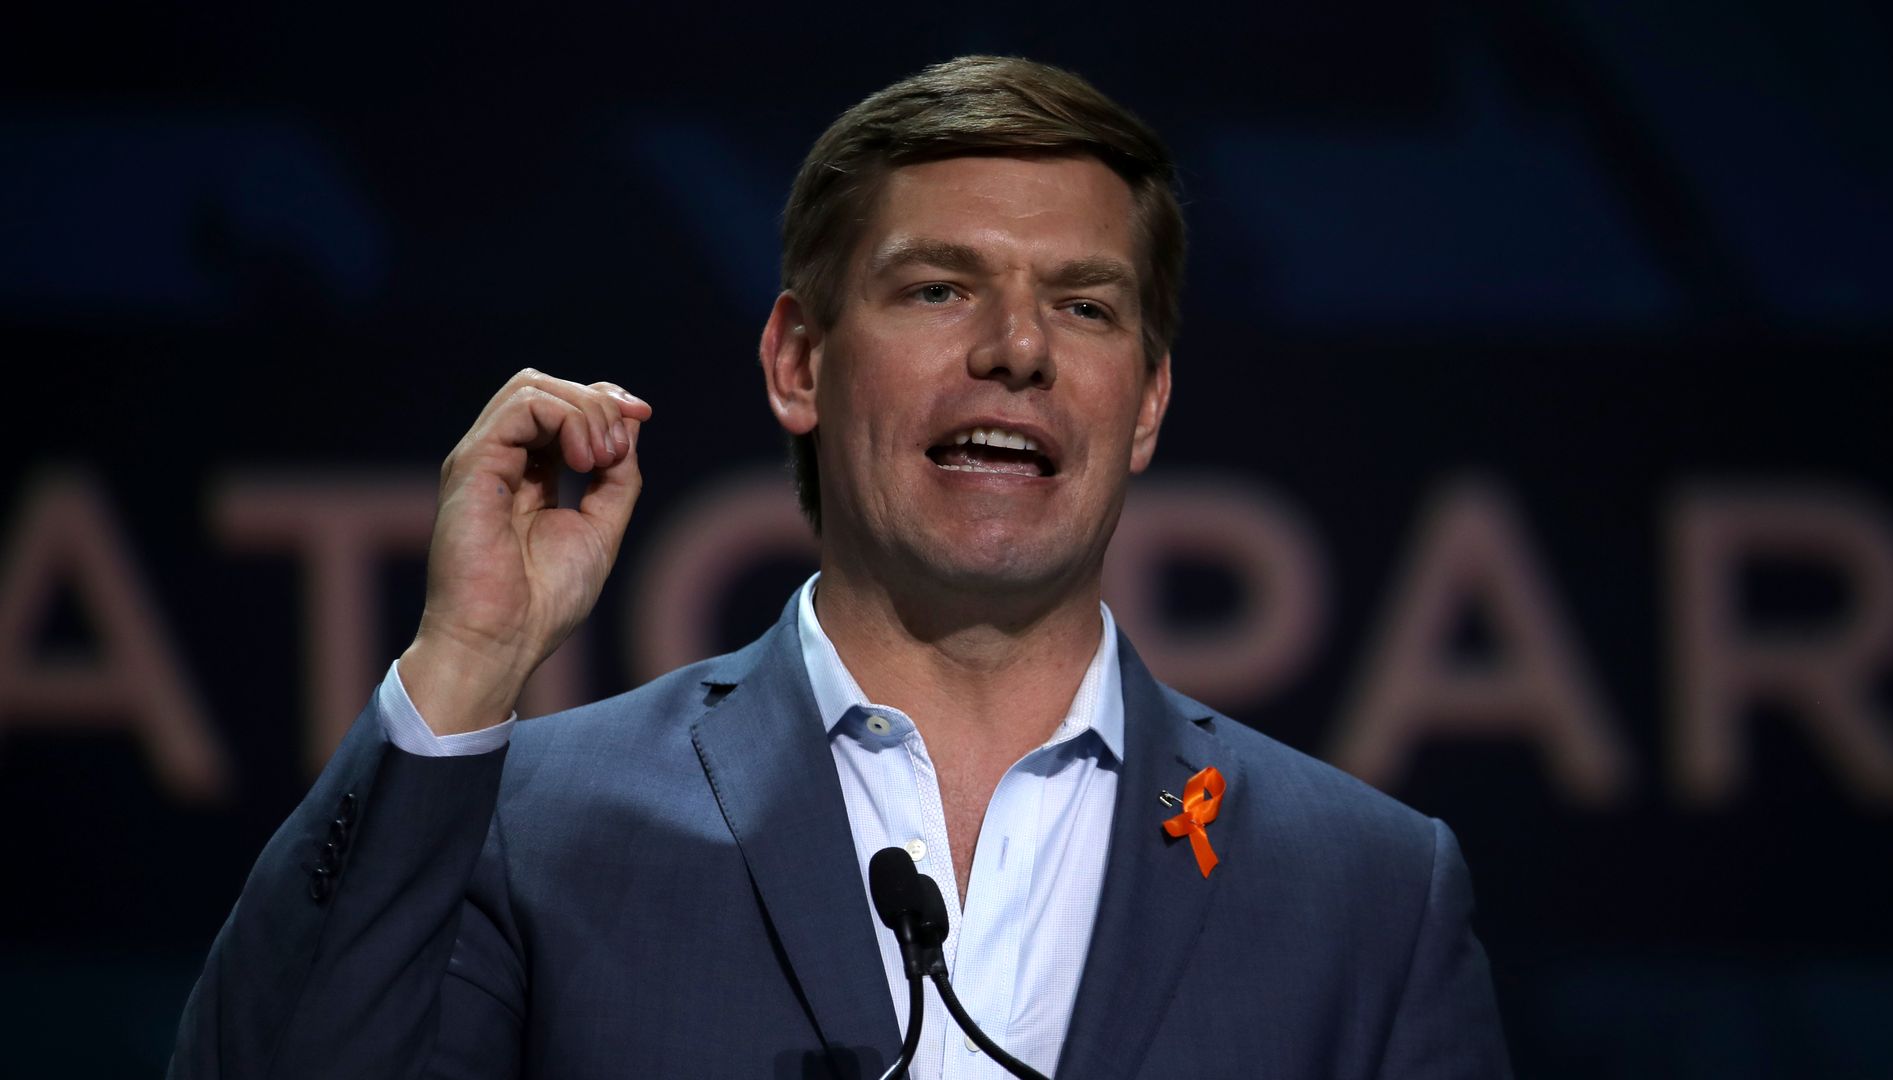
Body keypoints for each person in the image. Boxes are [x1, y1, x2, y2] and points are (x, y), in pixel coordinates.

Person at [169, 56, 1510, 1079]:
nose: (1017, 350)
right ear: (797, 362)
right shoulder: (535, 827)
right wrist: (462, 666)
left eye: (1084, 305)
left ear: (1147, 404)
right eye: (939, 288)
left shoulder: (1370, 895)